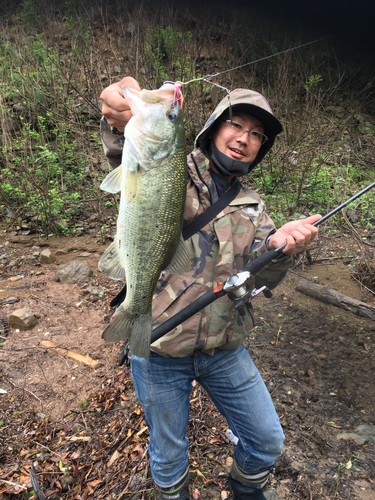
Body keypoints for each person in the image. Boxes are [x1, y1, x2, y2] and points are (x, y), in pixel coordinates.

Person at [100, 77, 321, 500]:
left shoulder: (254, 207)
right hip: (160, 349)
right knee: (168, 452)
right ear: (215, 127)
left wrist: (280, 248)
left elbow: (259, 278)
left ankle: (246, 489)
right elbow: (121, 140)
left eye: (257, 135)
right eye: (237, 125)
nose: (245, 139)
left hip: (225, 349)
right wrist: (117, 109)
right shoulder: (171, 166)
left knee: (268, 441)